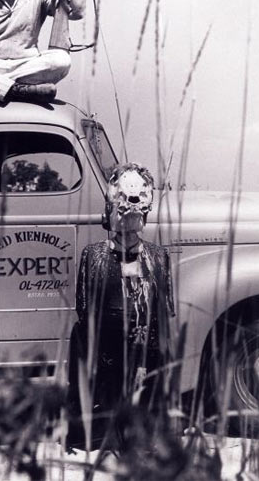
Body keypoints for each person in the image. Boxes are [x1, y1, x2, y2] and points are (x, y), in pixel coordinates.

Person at [69, 163, 175, 444]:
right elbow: (85, 311)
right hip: (107, 354)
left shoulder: (158, 257)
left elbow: (163, 314)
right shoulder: (93, 256)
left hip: (145, 353)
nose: (131, 209)